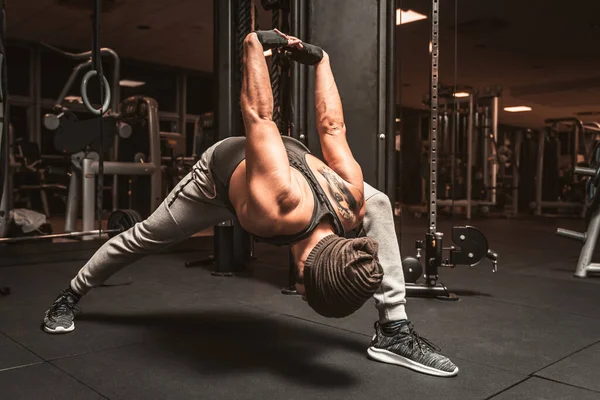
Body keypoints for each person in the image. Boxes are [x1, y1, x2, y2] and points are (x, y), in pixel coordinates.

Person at [42, 30, 458, 377]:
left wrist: (315, 60)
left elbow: (331, 126)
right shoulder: (288, 204)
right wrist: (255, 44)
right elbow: (260, 117)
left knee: (378, 200)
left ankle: (393, 330)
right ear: (298, 280)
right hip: (217, 177)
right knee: (146, 235)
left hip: (272, 168)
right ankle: (70, 294)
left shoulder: (349, 202)